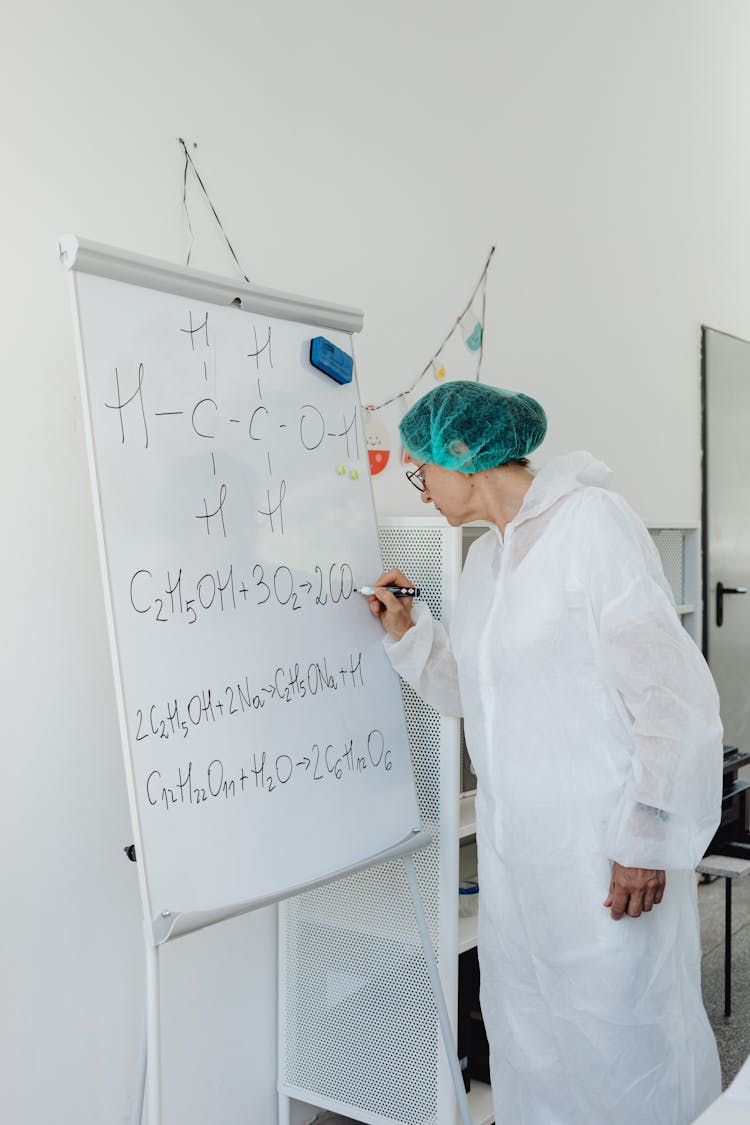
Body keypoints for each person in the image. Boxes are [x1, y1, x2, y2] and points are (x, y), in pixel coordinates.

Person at [368, 380, 723, 1125]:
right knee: (533, 1046)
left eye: (420, 469)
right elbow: (481, 692)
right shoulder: (487, 563)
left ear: (462, 456)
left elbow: (671, 699)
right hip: (517, 868)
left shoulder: (591, 526)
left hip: (602, 861)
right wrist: (411, 631)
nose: (421, 487)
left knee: (622, 1048)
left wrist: (647, 839)